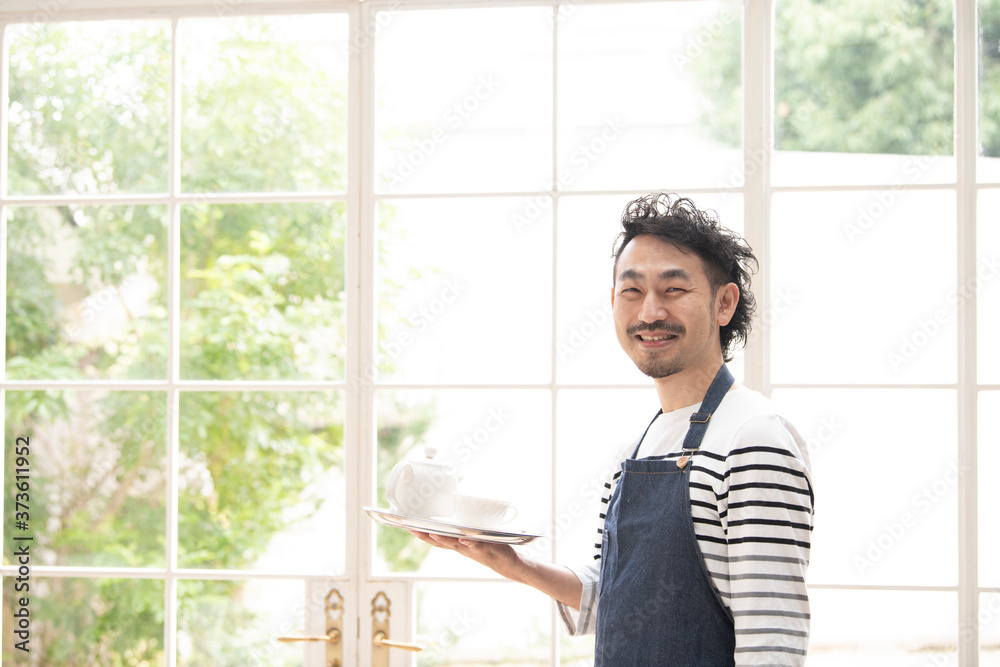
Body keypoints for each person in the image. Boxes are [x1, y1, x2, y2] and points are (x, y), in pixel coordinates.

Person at [409, 192, 814, 666]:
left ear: (724, 303)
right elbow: (621, 602)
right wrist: (515, 564)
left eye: (674, 290)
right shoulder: (636, 448)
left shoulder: (753, 438)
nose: (649, 313)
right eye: (632, 291)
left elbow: (773, 641)